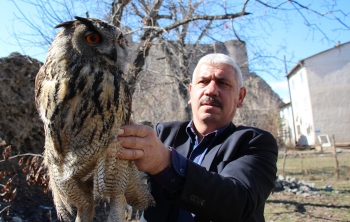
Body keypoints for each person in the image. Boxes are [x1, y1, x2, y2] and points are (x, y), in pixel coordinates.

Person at [116, 53, 278, 221]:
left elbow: (239, 202)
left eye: (223, 83)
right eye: (203, 82)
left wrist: (164, 163)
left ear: (240, 97)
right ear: (191, 93)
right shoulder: (162, 134)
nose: (211, 90)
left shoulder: (254, 142)